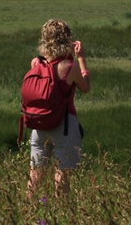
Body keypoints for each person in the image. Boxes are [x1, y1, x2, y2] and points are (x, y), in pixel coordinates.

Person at [27, 19, 91, 198]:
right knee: (62, 173)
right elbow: (85, 88)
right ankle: (61, 210)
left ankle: (28, 209)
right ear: (67, 39)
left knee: (35, 173)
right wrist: (82, 59)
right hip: (64, 125)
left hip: (39, 124)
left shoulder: (36, 63)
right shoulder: (69, 66)